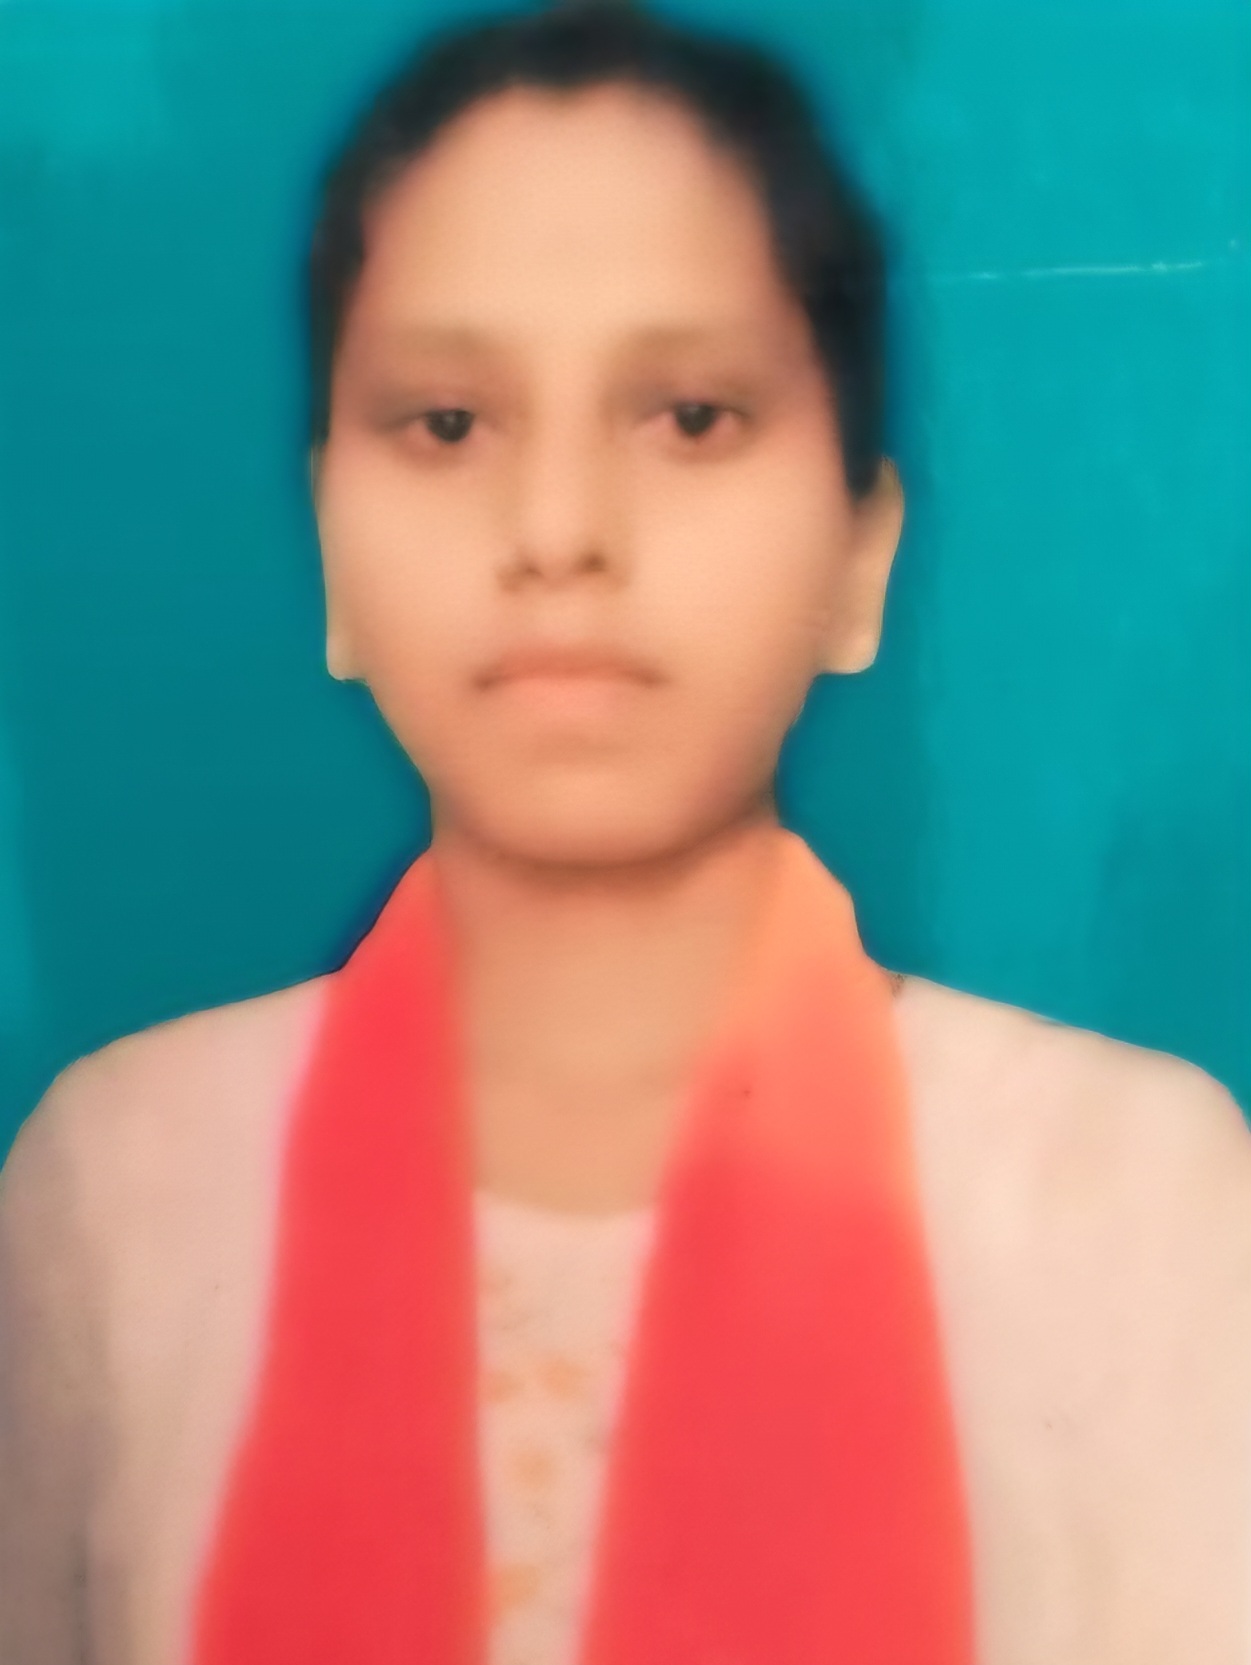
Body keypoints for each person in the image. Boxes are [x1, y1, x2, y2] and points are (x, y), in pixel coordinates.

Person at [2, 2, 1250, 1661]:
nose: (560, 530)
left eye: (691, 417)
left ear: (861, 555)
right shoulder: (113, 1191)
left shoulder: (1132, 1196)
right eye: (449, 423)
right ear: (329, 553)